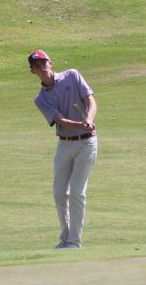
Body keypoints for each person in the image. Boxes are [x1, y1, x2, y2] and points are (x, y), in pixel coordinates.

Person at [28, 49, 98, 249]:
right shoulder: (40, 99)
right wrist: (79, 124)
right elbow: (60, 120)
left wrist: (89, 120)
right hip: (64, 143)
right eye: (36, 66)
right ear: (32, 71)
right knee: (60, 193)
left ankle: (74, 242)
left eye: (43, 62)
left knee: (77, 192)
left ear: (51, 62)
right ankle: (65, 237)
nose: (41, 67)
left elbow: (90, 101)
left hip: (87, 143)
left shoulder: (72, 75)